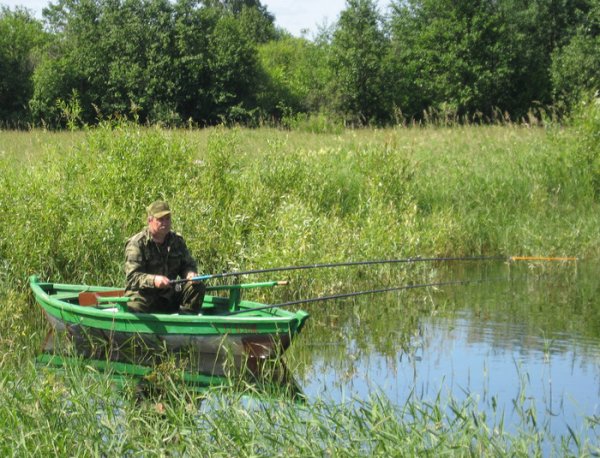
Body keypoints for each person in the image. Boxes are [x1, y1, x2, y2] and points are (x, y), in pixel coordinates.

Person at [124, 200, 205, 314]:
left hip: (169, 294)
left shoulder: (176, 241)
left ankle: (186, 323)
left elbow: (187, 265)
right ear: (150, 220)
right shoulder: (137, 243)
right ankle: (140, 330)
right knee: (135, 306)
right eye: (160, 219)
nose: (165, 223)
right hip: (144, 295)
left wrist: (190, 274)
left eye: (168, 219)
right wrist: (154, 280)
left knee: (197, 286)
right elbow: (132, 277)